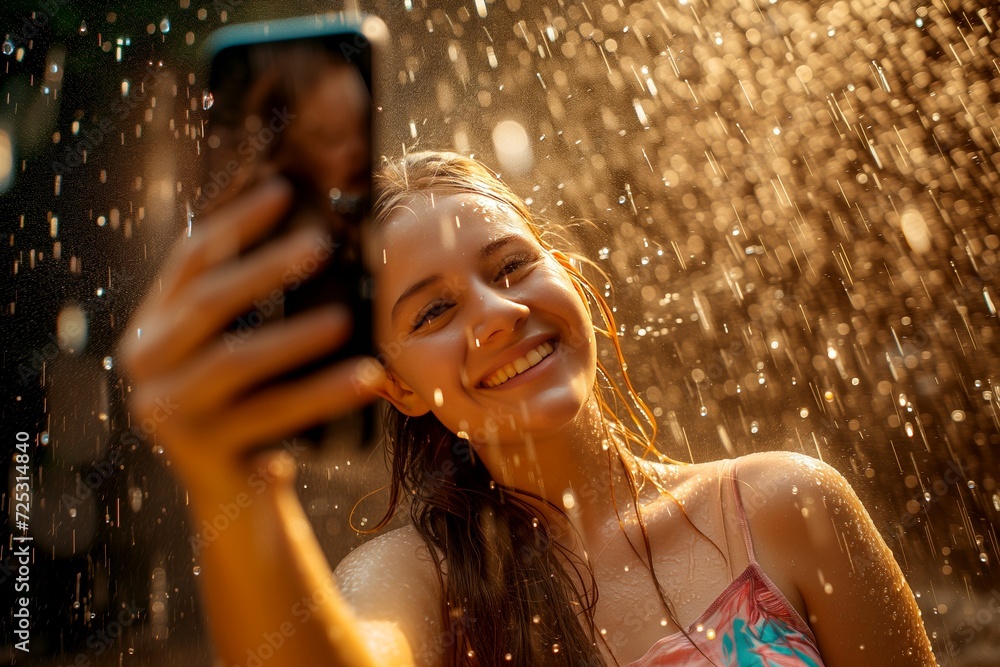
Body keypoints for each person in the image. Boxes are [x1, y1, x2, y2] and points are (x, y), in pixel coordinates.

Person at [118, 150, 937, 666]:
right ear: (396, 385)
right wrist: (237, 478)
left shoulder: (788, 505)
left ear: (571, 279)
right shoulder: (413, 582)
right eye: (432, 313)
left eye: (511, 267)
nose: (498, 312)